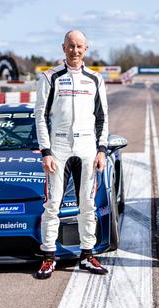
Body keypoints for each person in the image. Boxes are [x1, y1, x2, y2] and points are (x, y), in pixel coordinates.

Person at [34, 30, 109, 279]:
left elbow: (102, 117)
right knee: (52, 204)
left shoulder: (95, 79)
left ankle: (88, 255)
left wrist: (101, 149)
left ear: (86, 48)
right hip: (59, 149)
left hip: (87, 149)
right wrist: (46, 151)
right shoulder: (50, 77)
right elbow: (41, 117)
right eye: (70, 46)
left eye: (79, 46)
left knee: (87, 205)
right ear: (63, 47)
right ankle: (48, 256)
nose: (74, 51)